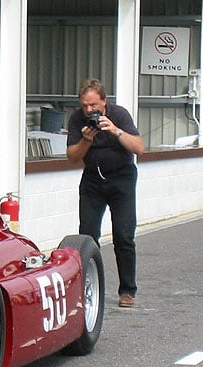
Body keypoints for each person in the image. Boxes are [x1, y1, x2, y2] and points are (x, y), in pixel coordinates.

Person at [67, 78, 144, 308]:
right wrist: (86, 140)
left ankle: (127, 291)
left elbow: (139, 147)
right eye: (85, 106)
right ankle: (91, 289)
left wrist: (115, 130)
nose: (89, 111)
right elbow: (72, 157)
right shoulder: (77, 119)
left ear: (104, 101)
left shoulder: (119, 114)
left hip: (121, 178)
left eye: (93, 106)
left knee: (123, 234)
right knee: (88, 236)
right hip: (92, 180)